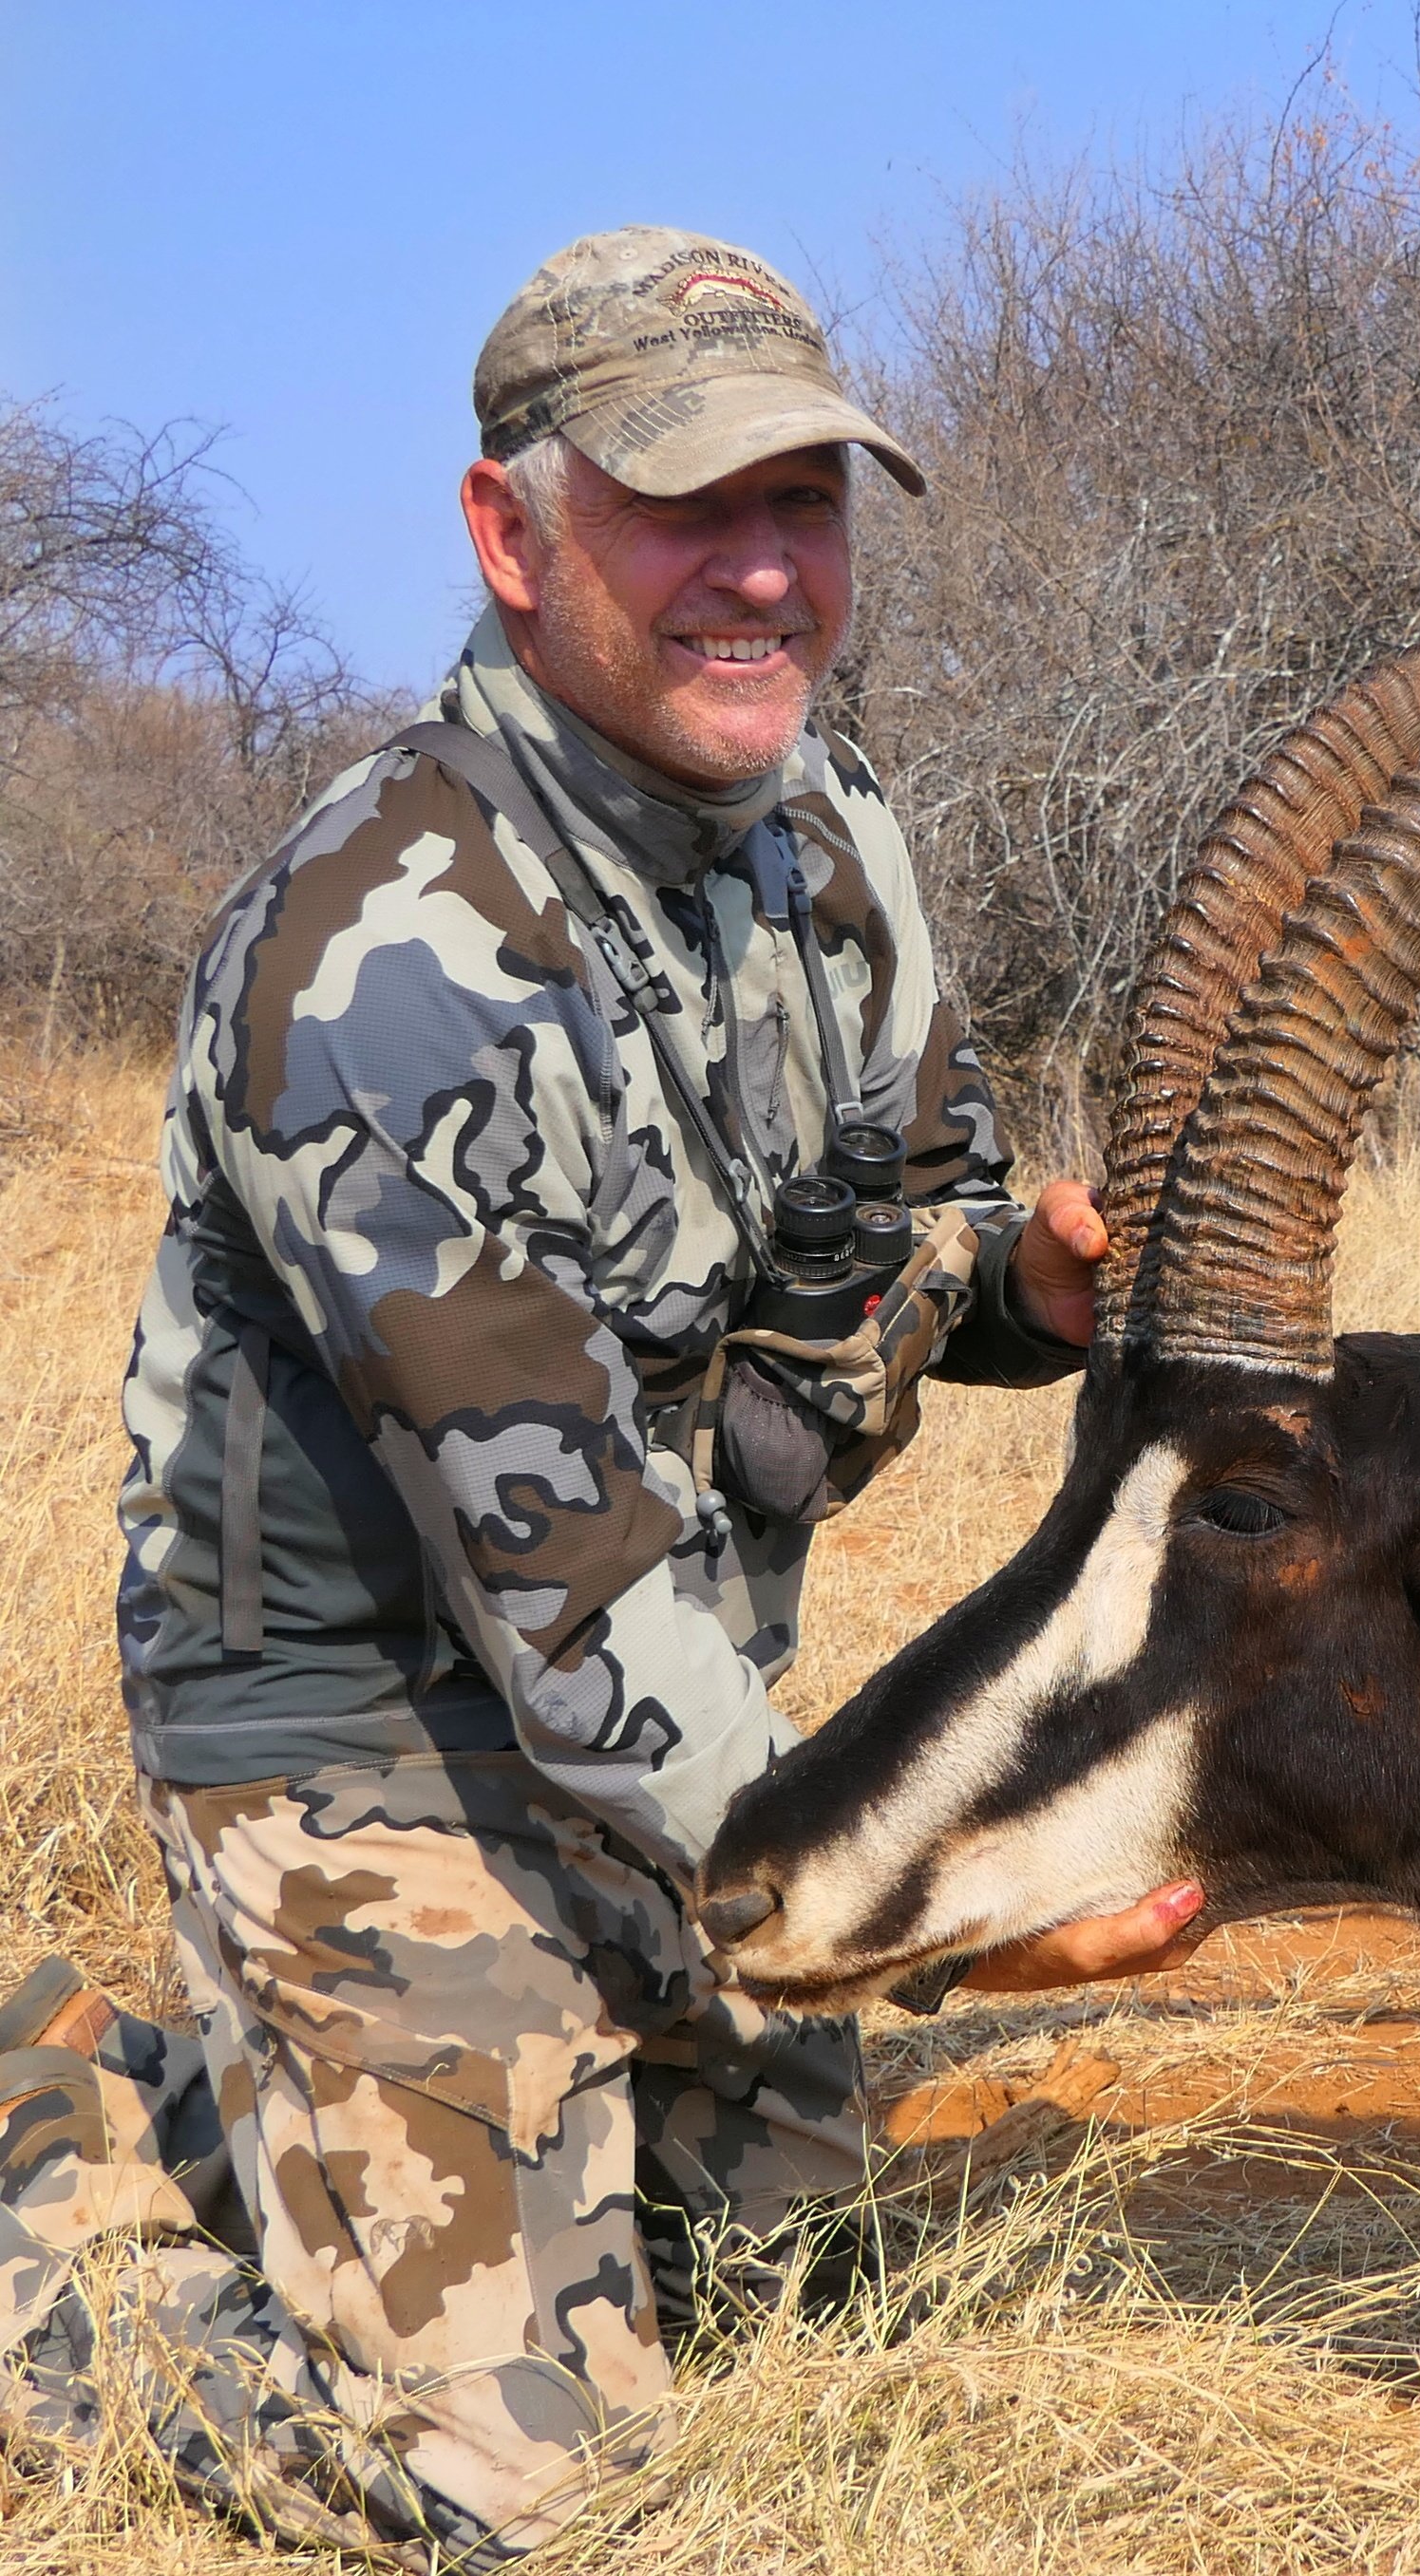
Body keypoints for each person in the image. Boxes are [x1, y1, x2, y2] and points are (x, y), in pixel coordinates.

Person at [0, 226, 1203, 2567]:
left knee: (806, 2292)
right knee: (545, 2490)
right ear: (507, 535)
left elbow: (903, 1238)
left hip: (660, 1731)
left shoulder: (833, 838)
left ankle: (230, 2094)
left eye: (811, 501)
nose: (764, 566)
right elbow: (571, 1599)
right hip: (364, 1743)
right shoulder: (380, 959)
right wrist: (942, 1906)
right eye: (686, 504)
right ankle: (57, 2199)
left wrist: (1030, 1287)